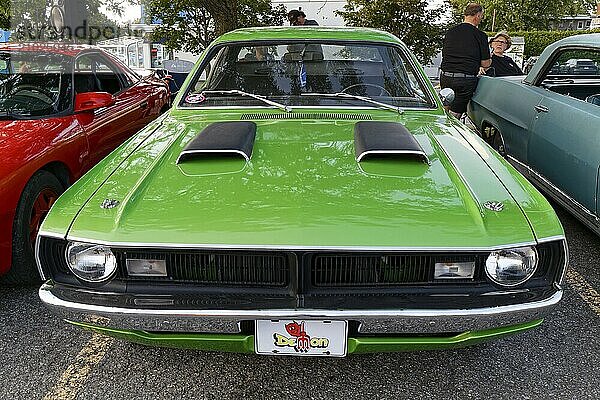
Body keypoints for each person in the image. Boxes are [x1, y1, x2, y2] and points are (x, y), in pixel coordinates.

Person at [439, 3, 491, 118]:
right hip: (464, 80)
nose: (480, 19)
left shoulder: (450, 32)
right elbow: (485, 64)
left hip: (446, 77)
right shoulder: (480, 35)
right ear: (477, 15)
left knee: (444, 110)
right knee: (454, 116)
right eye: (481, 16)